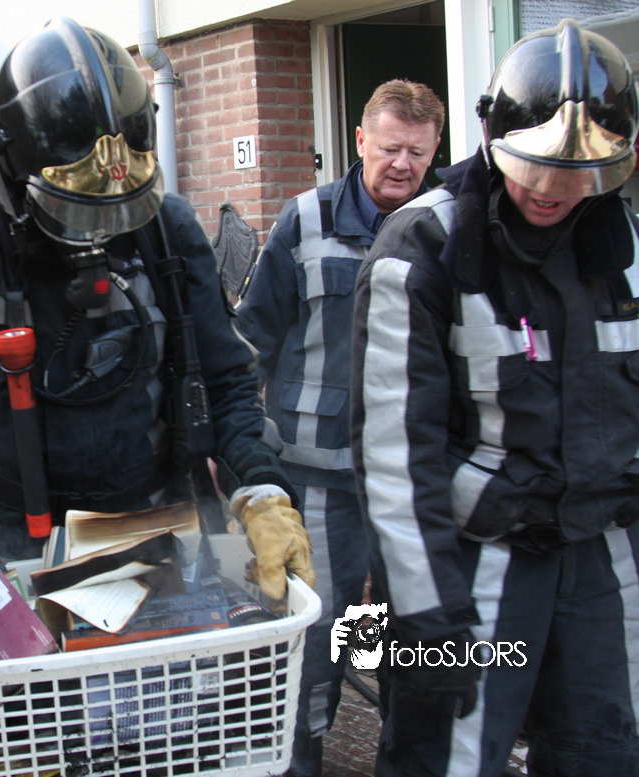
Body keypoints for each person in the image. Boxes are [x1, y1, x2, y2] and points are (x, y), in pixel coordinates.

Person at [0, 17, 315, 679]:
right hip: (3, 559)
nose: (102, 232)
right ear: (8, 169)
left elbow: (225, 380)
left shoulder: (165, 234)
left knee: (160, 717)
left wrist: (260, 488)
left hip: (156, 536)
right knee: (21, 725)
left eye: (121, 210)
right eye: (80, 211)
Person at [351, 19, 639, 777]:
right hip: (475, 566)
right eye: (535, 167)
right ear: (493, 138)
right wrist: (427, 619)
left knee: (607, 754)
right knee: (447, 758)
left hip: (602, 561)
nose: (551, 190)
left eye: (577, 174)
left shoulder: (624, 249)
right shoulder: (422, 248)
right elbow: (394, 459)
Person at [237, 79, 444, 776]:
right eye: (390, 148)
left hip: (412, 484)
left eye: (418, 152)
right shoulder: (304, 220)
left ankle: (398, 756)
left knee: (401, 631)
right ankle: (301, 759)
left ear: (435, 149)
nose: (403, 164)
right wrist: (239, 448)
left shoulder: (447, 228)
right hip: (318, 482)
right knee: (317, 630)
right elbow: (251, 340)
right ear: (360, 141)